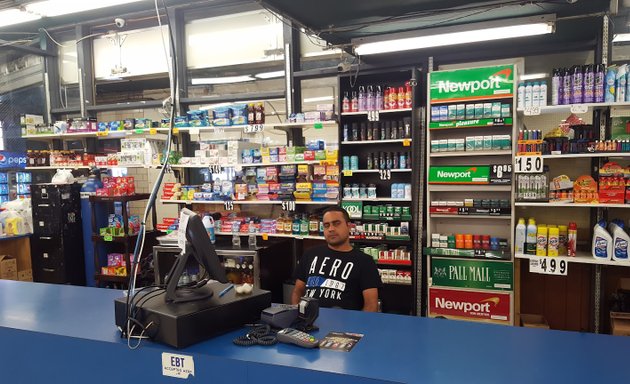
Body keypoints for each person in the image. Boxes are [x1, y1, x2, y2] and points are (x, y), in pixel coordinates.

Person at [291, 206, 381, 311]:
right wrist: (298, 315)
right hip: (310, 323)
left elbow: (371, 305)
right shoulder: (310, 254)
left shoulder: (365, 261)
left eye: (336, 223)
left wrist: (356, 327)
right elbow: (298, 291)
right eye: (326, 225)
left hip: (346, 325)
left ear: (349, 226)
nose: (331, 229)